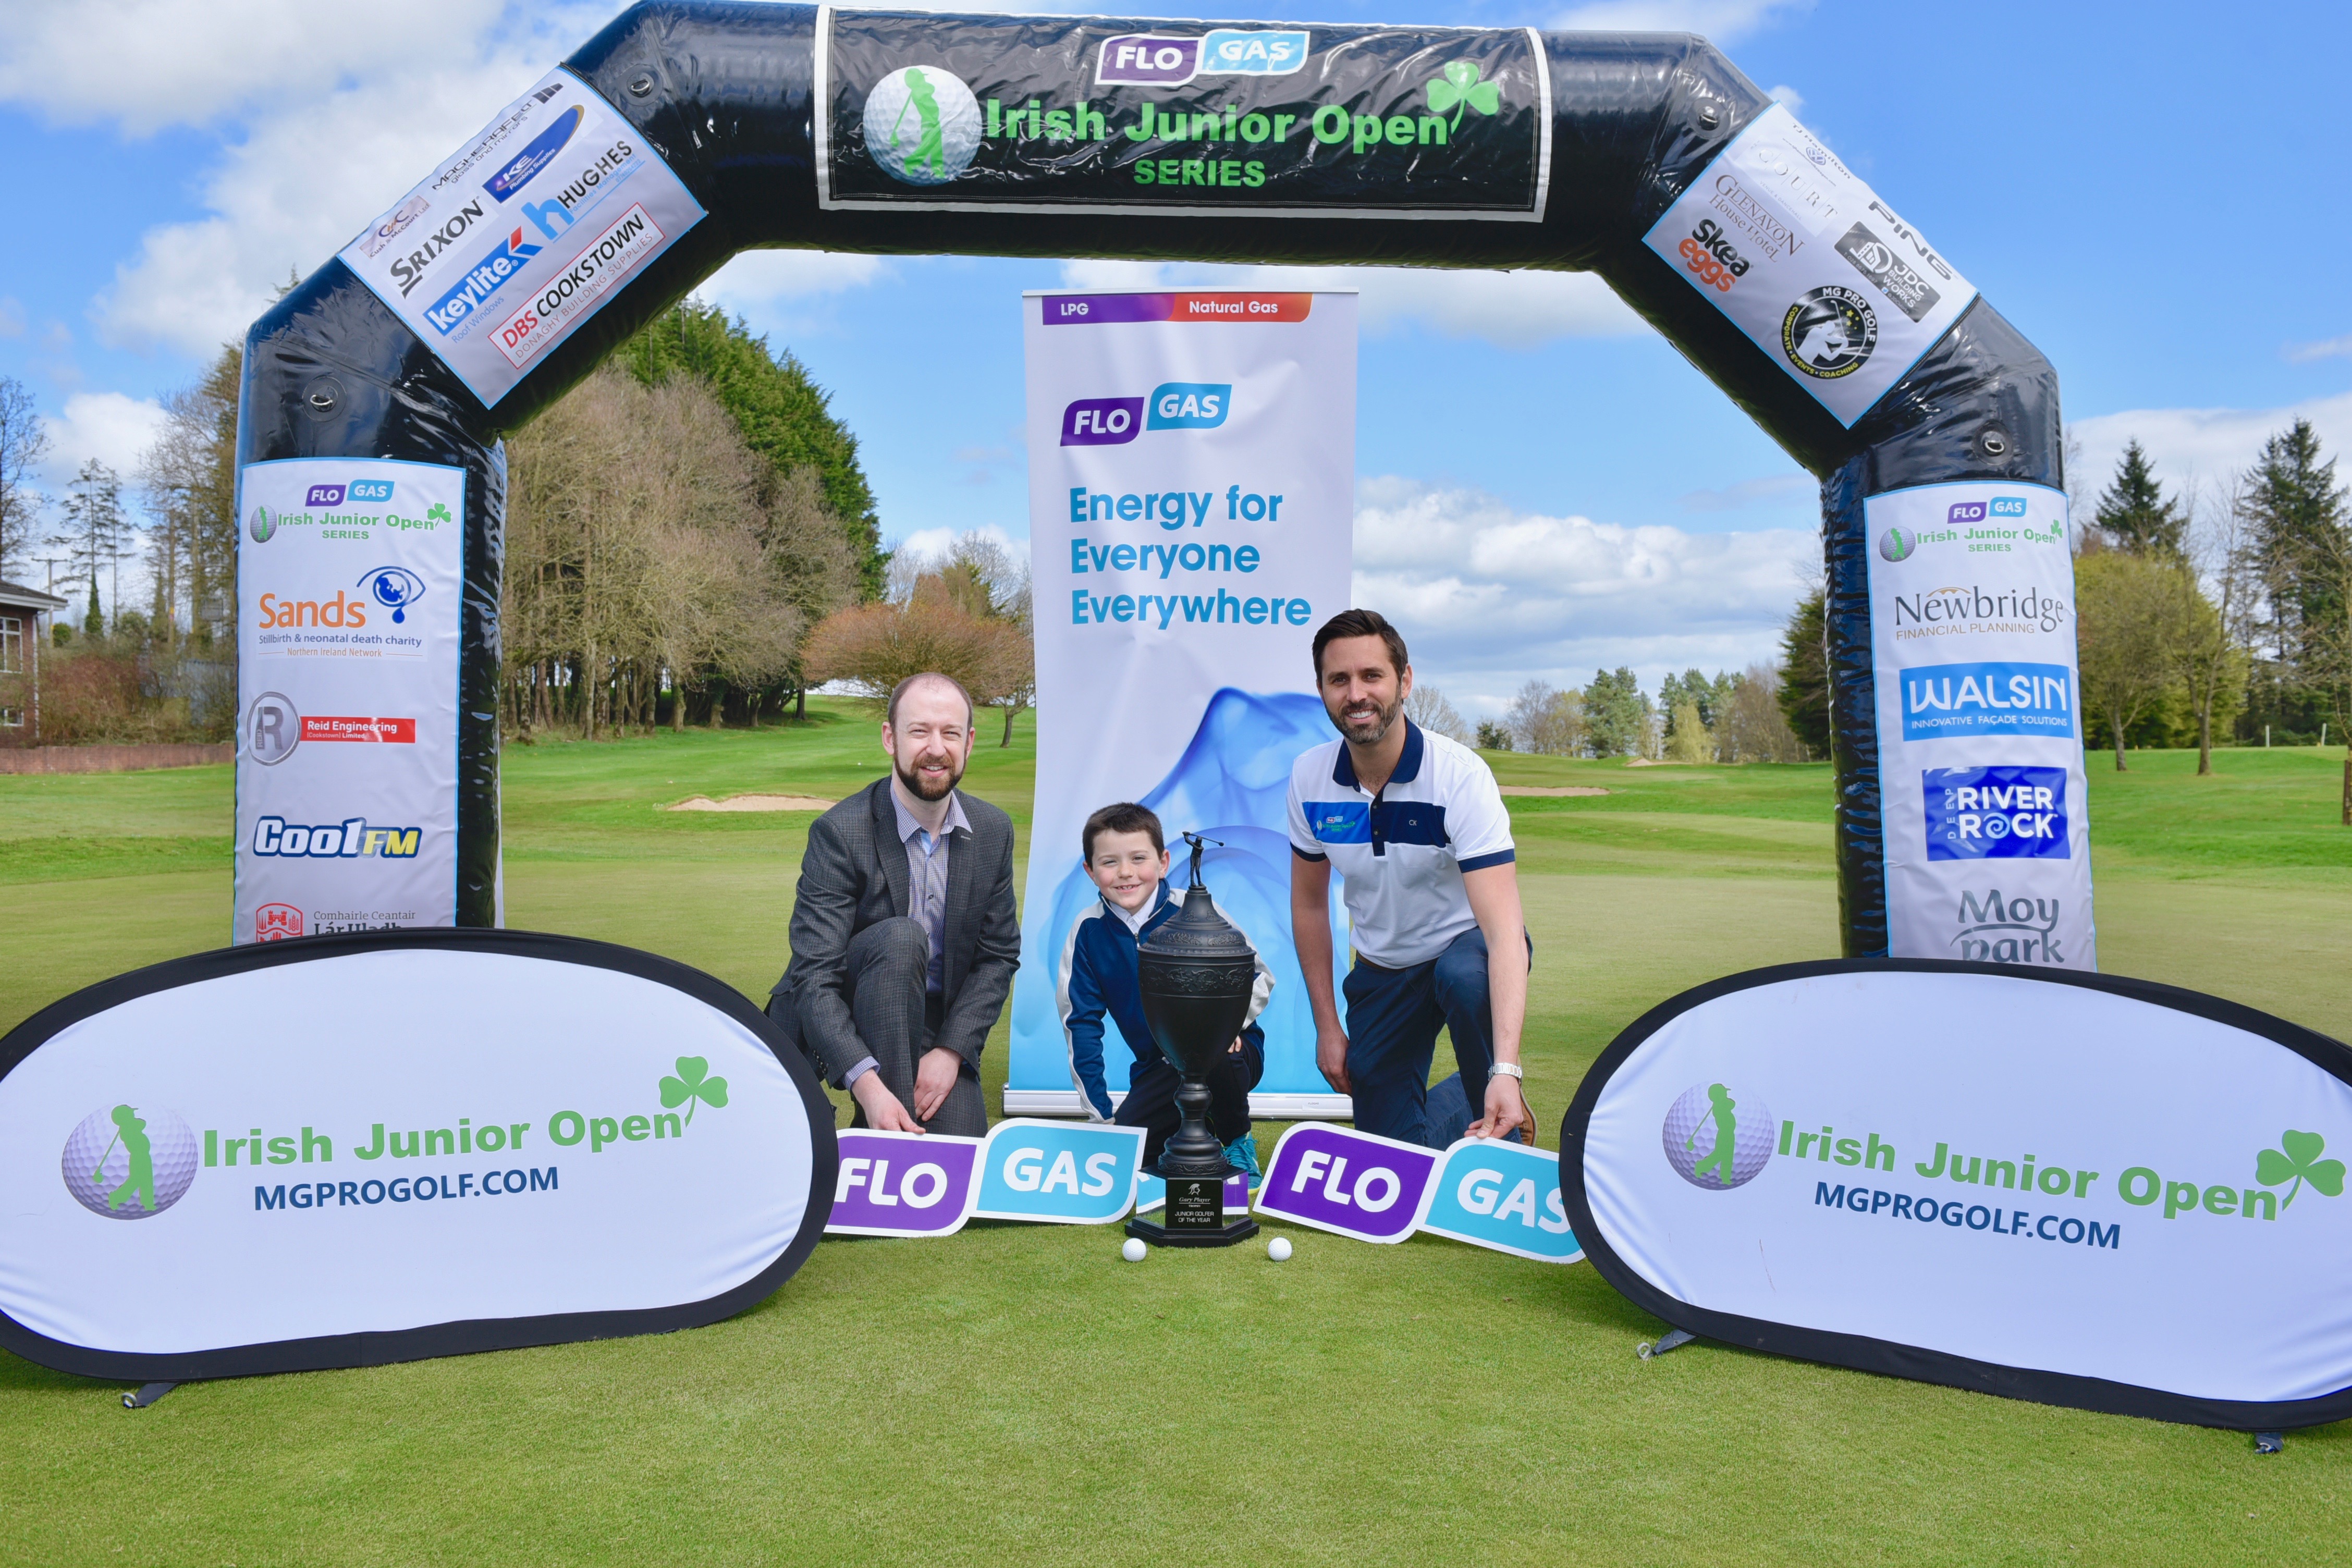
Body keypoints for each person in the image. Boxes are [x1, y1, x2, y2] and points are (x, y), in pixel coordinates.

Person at [1288, 608, 1533, 1148]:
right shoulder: (1309, 776)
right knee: (1392, 1153)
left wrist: (1507, 1068)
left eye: (1372, 675)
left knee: (1465, 977)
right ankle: (1469, 1098)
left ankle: (1499, 1117)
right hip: (1383, 968)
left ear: (1405, 680)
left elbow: (1504, 933)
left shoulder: (1460, 776)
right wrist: (1328, 1028)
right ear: (1323, 690)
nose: (1357, 693)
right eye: (1339, 679)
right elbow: (1308, 907)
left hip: (1463, 954)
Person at [768, 672, 1019, 1136]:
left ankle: (888, 1133)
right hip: (841, 1009)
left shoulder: (993, 831)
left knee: (956, 1181)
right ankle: (881, 1130)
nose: (936, 748)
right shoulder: (840, 832)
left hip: (930, 1021)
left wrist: (951, 1052)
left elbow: (998, 957)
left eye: (950, 733)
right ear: (890, 738)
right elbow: (814, 975)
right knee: (904, 938)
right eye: (919, 731)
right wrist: (869, 1086)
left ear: (970, 742)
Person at [1057, 802, 1270, 1177]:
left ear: (1164, 862)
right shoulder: (1088, 932)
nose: (1126, 873)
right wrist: (1102, 1117)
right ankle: (1190, 1130)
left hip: (1229, 1055)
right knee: (1131, 1160)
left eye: (1139, 858)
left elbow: (1258, 975)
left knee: (1213, 1047)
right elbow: (1082, 1025)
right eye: (1109, 863)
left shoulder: (1194, 910)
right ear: (1090, 872)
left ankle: (1237, 1140)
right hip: (1160, 1070)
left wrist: (1230, 1026)